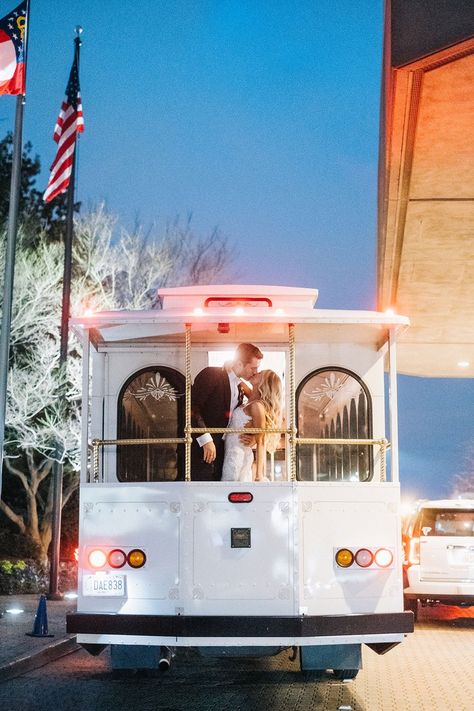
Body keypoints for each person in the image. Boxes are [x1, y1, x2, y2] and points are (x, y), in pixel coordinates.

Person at [191, 343, 263, 481]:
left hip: (224, 452)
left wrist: (254, 437)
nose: (256, 372)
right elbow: (192, 408)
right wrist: (205, 439)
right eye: (253, 368)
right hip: (199, 451)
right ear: (240, 363)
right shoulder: (211, 374)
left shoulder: (240, 387)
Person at [222, 369, 282, 482]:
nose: (255, 372)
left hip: (237, 456)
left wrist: (259, 475)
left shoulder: (257, 406)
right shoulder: (250, 399)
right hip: (230, 451)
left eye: (260, 373)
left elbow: (261, 441)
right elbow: (233, 374)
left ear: (263, 383)